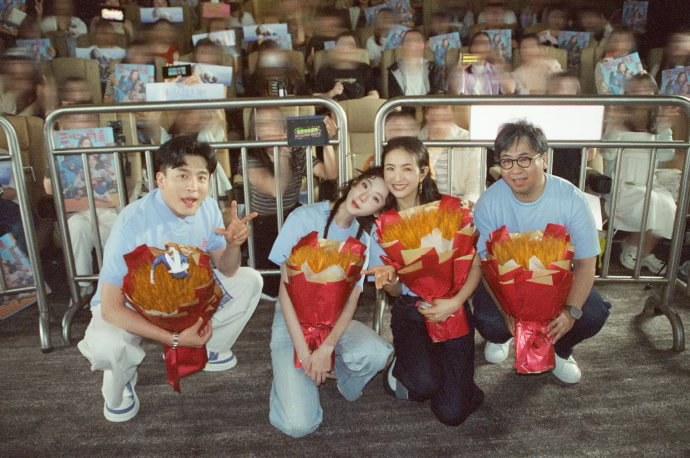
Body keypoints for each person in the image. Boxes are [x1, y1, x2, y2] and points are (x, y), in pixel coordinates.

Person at [77, 136, 263, 422]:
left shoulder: (208, 207)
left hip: (183, 297)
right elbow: (111, 308)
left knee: (250, 280)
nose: (193, 186)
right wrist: (174, 339)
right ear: (161, 179)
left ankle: (209, 347)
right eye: (182, 175)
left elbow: (227, 270)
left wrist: (233, 244)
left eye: (202, 177)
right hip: (131, 303)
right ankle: (122, 380)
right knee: (108, 345)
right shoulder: (132, 222)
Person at [473, 120, 611, 384]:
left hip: (556, 284)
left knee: (593, 313)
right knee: (489, 320)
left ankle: (560, 349)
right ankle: (502, 337)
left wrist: (570, 313)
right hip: (505, 286)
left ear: (544, 160)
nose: (515, 169)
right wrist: (505, 311)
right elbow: (484, 263)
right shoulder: (489, 203)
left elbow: (586, 264)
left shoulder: (571, 199)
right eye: (507, 161)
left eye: (525, 159)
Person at [365, 137, 484, 426]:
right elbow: (395, 291)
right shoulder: (382, 226)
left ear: (423, 172)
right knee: (424, 385)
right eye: (390, 168)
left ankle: (449, 376)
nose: (397, 177)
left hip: (453, 308)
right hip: (411, 310)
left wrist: (456, 302)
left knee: (451, 413)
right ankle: (401, 367)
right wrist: (390, 279)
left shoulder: (449, 210)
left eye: (407, 168)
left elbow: (475, 264)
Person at [268, 167, 393, 437]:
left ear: (378, 211)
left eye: (375, 198)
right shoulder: (304, 217)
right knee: (299, 425)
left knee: (377, 353)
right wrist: (305, 355)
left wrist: (327, 348)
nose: (364, 197)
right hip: (291, 322)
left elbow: (352, 300)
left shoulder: (363, 239)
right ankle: (287, 380)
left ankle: (336, 374)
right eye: (365, 185)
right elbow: (285, 292)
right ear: (355, 182)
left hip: (333, 322)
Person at [241, 107, 338, 299]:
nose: (272, 128)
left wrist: (327, 142)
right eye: (264, 124)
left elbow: (330, 173)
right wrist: (283, 157)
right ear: (254, 131)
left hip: (291, 214)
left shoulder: (297, 150)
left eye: (276, 123)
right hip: (262, 220)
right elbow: (276, 191)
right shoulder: (249, 155)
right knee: (272, 286)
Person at [602, 74, 678, 274]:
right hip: (621, 186)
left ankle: (640, 250)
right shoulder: (619, 121)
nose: (641, 94)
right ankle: (634, 247)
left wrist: (665, 128)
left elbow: (666, 155)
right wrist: (615, 126)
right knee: (650, 200)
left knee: (668, 205)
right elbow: (607, 154)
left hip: (648, 183)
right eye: (636, 89)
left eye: (646, 89)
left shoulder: (657, 124)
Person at [418, 105, 483, 203]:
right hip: (424, 205)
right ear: (426, 115)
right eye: (435, 117)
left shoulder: (469, 141)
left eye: (443, 117)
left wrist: (464, 205)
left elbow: (475, 185)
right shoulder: (417, 139)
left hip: (459, 203)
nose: (439, 120)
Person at [313, 31, 379, 101]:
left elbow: (374, 95)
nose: (345, 49)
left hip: (359, 107)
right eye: (341, 44)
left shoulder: (365, 69)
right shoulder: (325, 70)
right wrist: (331, 94)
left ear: (356, 49)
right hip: (332, 107)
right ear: (335, 48)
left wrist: (354, 104)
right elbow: (315, 98)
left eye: (350, 45)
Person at [447, 32, 515, 95]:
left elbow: (510, 90)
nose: (480, 47)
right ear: (471, 48)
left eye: (485, 44)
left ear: (489, 49)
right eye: (477, 43)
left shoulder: (495, 69)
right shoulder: (460, 69)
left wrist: (499, 65)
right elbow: (454, 92)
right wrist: (458, 70)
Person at [387, 29, 443, 98]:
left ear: (423, 46)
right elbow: (395, 99)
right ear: (402, 46)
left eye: (417, 41)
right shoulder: (394, 71)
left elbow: (438, 95)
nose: (413, 45)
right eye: (409, 41)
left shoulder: (433, 68)